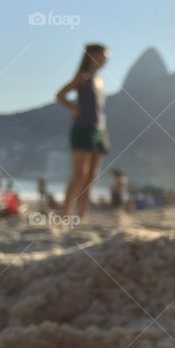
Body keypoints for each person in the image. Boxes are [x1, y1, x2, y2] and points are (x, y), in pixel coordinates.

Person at [56, 43, 109, 222]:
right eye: (103, 56)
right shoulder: (83, 77)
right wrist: (74, 108)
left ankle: (82, 215)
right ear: (92, 55)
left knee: (92, 176)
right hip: (83, 129)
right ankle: (65, 214)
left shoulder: (100, 80)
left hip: (99, 130)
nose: (106, 60)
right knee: (80, 174)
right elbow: (60, 95)